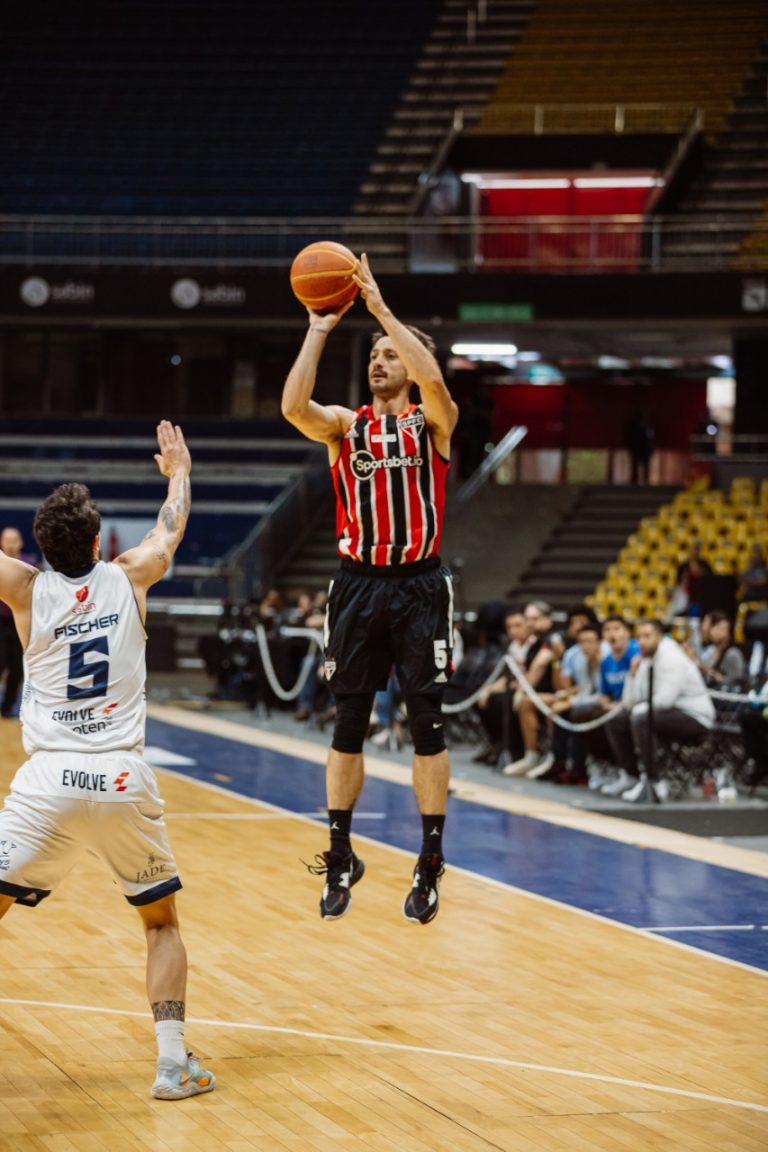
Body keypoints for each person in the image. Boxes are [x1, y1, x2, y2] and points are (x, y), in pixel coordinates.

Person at [0, 422, 214, 1101]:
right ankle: (172, 1065)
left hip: (47, 781)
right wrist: (179, 472)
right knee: (160, 923)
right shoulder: (130, 576)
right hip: (121, 776)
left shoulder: (26, 589)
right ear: (99, 543)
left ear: (40, 548)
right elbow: (169, 530)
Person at [281, 253, 458, 924]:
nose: (379, 362)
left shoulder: (431, 422)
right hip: (358, 585)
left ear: (410, 364)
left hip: (420, 585)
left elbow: (435, 381)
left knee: (427, 724)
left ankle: (430, 859)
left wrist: (382, 309)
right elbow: (292, 406)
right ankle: (339, 853)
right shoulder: (345, 425)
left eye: (390, 355)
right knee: (348, 724)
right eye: (375, 355)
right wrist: (319, 327)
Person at [605, 619, 715, 803]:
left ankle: (653, 781)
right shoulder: (646, 660)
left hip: (695, 717)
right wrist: (632, 675)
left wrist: (637, 710)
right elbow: (630, 702)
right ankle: (631, 776)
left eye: (647, 636)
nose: (642, 641)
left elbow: (665, 700)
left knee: (641, 719)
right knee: (617, 719)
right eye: (639, 637)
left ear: (659, 636)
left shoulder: (671, 657)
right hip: (667, 714)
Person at [502, 600, 565, 777]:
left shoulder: (553, 638)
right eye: (528, 619)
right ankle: (531, 755)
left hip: (564, 692)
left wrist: (521, 691)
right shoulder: (534, 642)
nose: (530, 623)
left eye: (535, 619)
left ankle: (553, 757)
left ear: (548, 619)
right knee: (521, 702)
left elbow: (538, 666)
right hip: (544, 693)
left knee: (527, 701)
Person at [0, 527, 37, 717]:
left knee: (17, 667)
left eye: (14, 540)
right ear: (1, 542)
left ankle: (7, 708)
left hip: (20, 623)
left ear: (21, 542)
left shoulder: (30, 565)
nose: (11, 544)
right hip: (0, 622)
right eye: (7, 540)